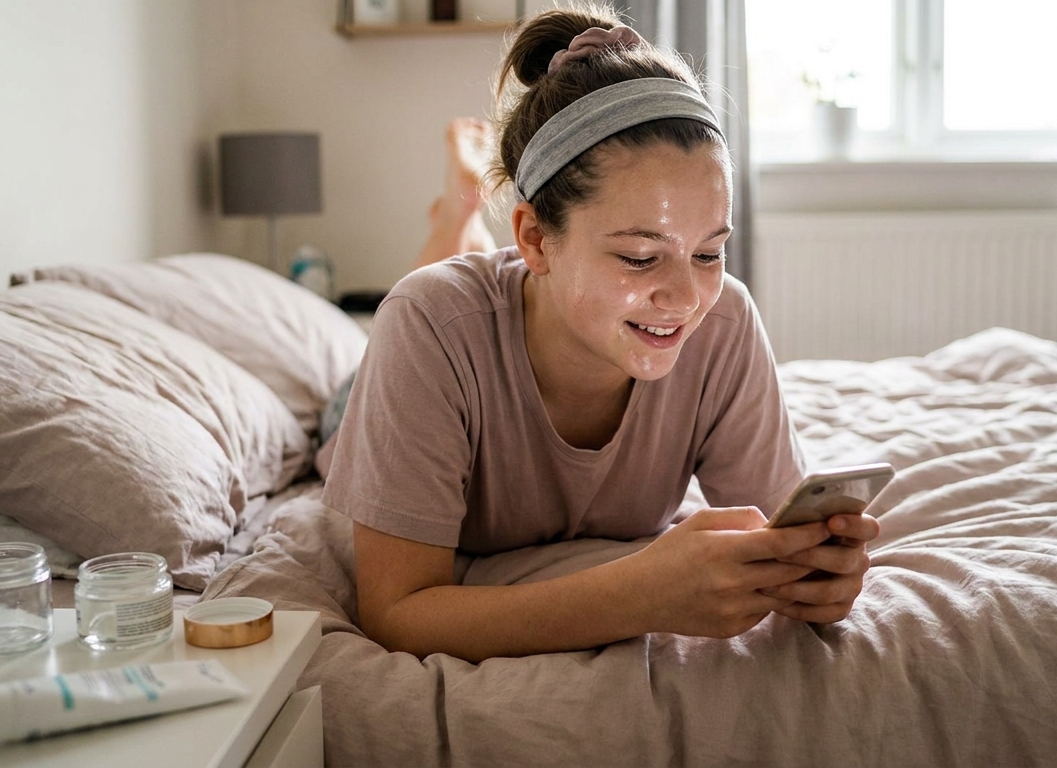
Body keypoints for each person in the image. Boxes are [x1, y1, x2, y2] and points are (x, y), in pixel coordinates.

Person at [320, 5, 880, 663]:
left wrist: (817, 573)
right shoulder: (429, 328)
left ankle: (461, 218)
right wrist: (640, 595)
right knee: (420, 297)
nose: (685, 297)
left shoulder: (723, 320)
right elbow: (397, 611)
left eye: (708, 252)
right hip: (361, 400)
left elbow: (778, 528)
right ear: (533, 237)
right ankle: (456, 217)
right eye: (641, 257)